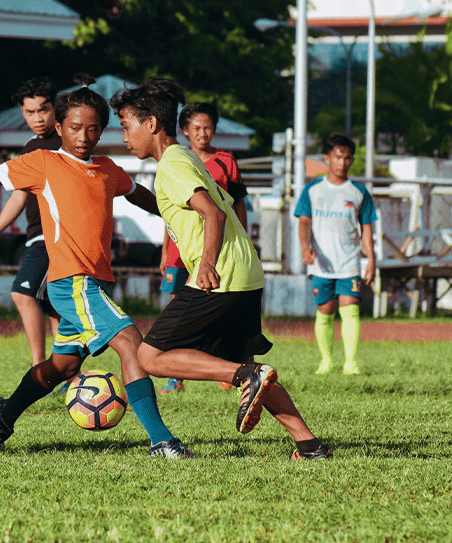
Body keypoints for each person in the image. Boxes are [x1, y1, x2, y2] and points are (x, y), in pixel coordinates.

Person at [0, 75, 194, 459]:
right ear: (59, 127)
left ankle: (3, 412)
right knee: (131, 344)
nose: (83, 136)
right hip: (72, 283)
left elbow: (146, 198)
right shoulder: (43, 162)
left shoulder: (108, 169)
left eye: (93, 129)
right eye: (75, 128)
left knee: (60, 367)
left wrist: (191, 209)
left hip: (93, 285)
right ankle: (161, 441)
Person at [112, 77, 332, 460]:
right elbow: (208, 204)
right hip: (246, 272)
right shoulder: (187, 158)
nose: (125, 136)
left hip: (220, 275)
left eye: (126, 126)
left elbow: (211, 212)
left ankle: (243, 377)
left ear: (151, 124)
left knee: (149, 356)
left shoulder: (171, 166)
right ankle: (308, 445)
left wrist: (207, 265)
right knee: (251, 368)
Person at [158, 102, 248, 394]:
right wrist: (164, 252)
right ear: (185, 130)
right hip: (179, 250)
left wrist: (242, 240)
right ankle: (176, 376)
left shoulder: (225, 161)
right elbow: (170, 213)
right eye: (196, 128)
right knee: (176, 309)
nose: (203, 133)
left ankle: (225, 364)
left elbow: (236, 205)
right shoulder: (177, 161)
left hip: (212, 249)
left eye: (208, 127)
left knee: (216, 307)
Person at [0, 78, 62, 367]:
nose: (37, 118)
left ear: (55, 108)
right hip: (35, 237)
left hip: (55, 237)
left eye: (43, 110)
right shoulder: (29, 147)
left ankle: (39, 368)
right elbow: (18, 195)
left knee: (22, 292)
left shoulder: (68, 143)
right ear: (22, 112)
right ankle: (62, 372)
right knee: (53, 307)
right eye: (30, 112)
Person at [294, 133, 377, 376]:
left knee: (350, 309)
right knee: (325, 311)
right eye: (338, 157)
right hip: (321, 263)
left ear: (352, 160)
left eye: (347, 158)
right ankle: (326, 362)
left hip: (350, 263)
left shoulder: (359, 192)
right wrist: (304, 246)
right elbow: (304, 223)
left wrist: (370, 260)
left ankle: (350, 363)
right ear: (327, 158)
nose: (343, 162)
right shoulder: (312, 190)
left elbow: (367, 230)